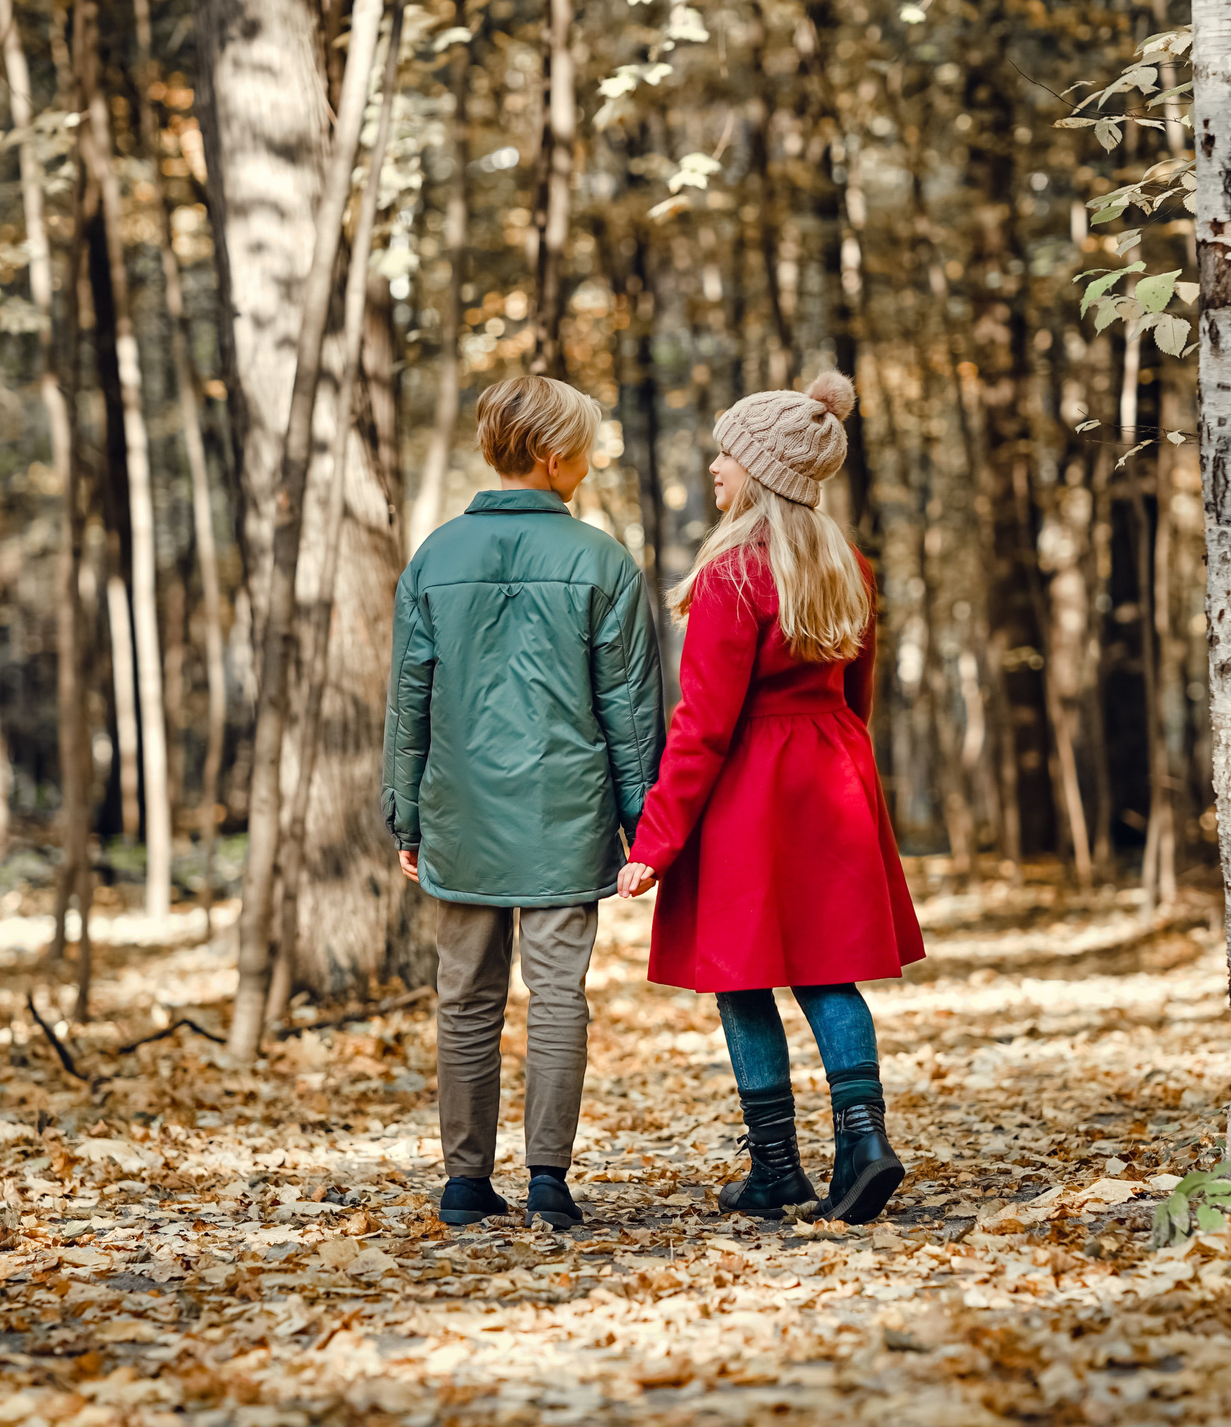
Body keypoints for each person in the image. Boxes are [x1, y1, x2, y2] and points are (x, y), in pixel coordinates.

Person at [617, 370, 923, 1225]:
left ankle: (778, 1166)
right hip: (832, 776)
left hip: (751, 788)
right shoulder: (847, 564)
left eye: (728, 455)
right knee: (829, 970)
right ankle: (864, 1143)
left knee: (741, 975)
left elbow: (702, 726)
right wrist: (844, 770)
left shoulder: (733, 575)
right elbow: (856, 698)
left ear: (761, 472)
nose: (716, 468)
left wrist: (654, 843)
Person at [382, 374, 668, 1230]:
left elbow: (410, 701)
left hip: (461, 813)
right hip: (565, 815)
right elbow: (629, 709)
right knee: (557, 997)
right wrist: (642, 821)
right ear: (552, 457)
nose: (588, 462)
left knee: (464, 998)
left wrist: (407, 814)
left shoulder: (434, 556)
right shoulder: (602, 561)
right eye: (583, 448)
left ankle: (465, 1184)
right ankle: (549, 1178)